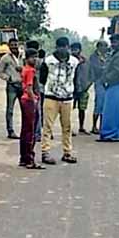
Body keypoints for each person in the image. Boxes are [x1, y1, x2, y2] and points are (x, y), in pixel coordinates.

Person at [39, 36, 79, 164]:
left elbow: (75, 78)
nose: (63, 50)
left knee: (67, 127)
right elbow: (42, 79)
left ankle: (67, 152)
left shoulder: (74, 61)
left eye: (65, 47)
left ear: (68, 47)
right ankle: (45, 153)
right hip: (51, 97)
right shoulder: (48, 61)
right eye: (60, 47)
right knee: (48, 126)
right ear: (56, 47)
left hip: (67, 97)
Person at [98, 34, 119, 142]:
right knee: (117, 110)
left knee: (112, 111)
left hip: (115, 84)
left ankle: (112, 133)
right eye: (112, 42)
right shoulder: (116, 53)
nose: (113, 44)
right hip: (115, 84)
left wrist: (106, 79)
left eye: (115, 42)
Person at [19, 48, 44, 169]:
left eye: (36, 57)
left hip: (24, 100)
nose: (35, 59)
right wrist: (34, 99)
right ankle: (30, 159)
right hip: (29, 101)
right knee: (31, 131)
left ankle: (23, 158)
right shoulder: (30, 71)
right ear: (27, 58)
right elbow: (29, 87)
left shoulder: (24, 69)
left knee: (25, 130)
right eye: (33, 57)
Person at [0, 38, 23, 139]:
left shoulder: (23, 56)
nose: (14, 47)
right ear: (8, 46)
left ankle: (25, 130)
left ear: (18, 44)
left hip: (23, 85)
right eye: (12, 45)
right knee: (10, 109)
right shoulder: (5, 58)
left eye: (15, 45)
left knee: (25, 109)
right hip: (12, 86)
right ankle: (10, 131)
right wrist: (9, 78)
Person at [71, 42, 92, 136]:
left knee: (82, 109)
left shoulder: (86, 61)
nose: (74, 51)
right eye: (73, 49)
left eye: (76, 49)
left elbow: (91, 73)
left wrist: (88, 84)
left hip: (83, 88)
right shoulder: (69, 60)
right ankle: (69, 128)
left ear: (80, 50)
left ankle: (81, 127)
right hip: (71, 89)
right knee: (69, 110)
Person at [88, 40, 109, 134]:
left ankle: (102, 126)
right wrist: (105, 68)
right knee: (99, 104)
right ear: (99, 47)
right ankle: (94, 126)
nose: (105, 48)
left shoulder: (108, 55)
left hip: (107, 81)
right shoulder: (93, 57)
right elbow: (95, 68)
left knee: (106, 105)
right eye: (104, 46)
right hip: (99, 81)